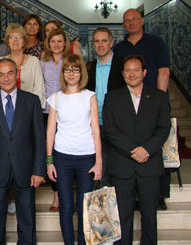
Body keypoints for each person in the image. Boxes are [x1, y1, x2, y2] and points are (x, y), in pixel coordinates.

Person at [102, 55, 171, 245]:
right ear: (122, 73)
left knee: (149, 214)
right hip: (122, 165)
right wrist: (133, 150)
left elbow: (164, 128)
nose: (131, 74)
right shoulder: (112, 97)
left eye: (136, 70)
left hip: (150, 165)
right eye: (127, 70)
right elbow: (109, 130)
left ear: (144, 72)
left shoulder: (158, 97)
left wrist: (146, 150)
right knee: (123, 215)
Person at [0, 58, 45, 245]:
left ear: (17, 75)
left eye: (10, 73)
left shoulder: (32, 101)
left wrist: (38, 170)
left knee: (27, 217)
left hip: (25, 168)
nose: (6, 78)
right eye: (1, 74)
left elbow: (39, 139)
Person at [113, 8, 171, 210]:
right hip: (130, 103)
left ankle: (159, 194)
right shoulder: (120, 48)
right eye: (126, 20)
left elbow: (164, 71)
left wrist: (159, 100)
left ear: (142, 21)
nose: (131, 23)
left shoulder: (156, 43)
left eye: (134, 19)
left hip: (153, 102)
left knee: (156, 150)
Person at [46, 54, 102, 245]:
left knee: (85, 205)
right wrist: (49, 160)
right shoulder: (55, 98)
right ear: (63, 73)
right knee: (66, 206)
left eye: (75, 69)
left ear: (81, 73)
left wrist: (99, 161)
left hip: (87, 157)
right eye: (67, 69)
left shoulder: (90, 96)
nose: (71, 73)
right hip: (62, 158)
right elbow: (50, 131)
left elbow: (95, 129)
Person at [86, 27, 126, 186]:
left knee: (119, 168)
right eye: (96, 41)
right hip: (95, 124)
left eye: (104, 41)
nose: (100, 44)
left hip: (118, 125)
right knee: (99, 168)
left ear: (111, 42)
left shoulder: (123, 65)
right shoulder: (89, 68)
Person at [41, 27, 71, 212]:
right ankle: (56, 196)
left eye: (60, 41)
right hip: (46, 112)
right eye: (53, 41)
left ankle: (67, 194)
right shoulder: (42, 62)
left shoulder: (71, 61)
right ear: (48, 43)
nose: (57, 44)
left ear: (65, 43)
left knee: (65, 154)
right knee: (51, 153)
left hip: (67, 113)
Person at [0, 24, 45, 108]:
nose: (15, 40)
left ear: (24, 41)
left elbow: (39, 90)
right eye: (11, 37)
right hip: (5, 108)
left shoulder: (34, 61)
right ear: (7, 41)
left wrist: (30, 106)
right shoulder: (0, 61)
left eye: (19, 37)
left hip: (28, 108)